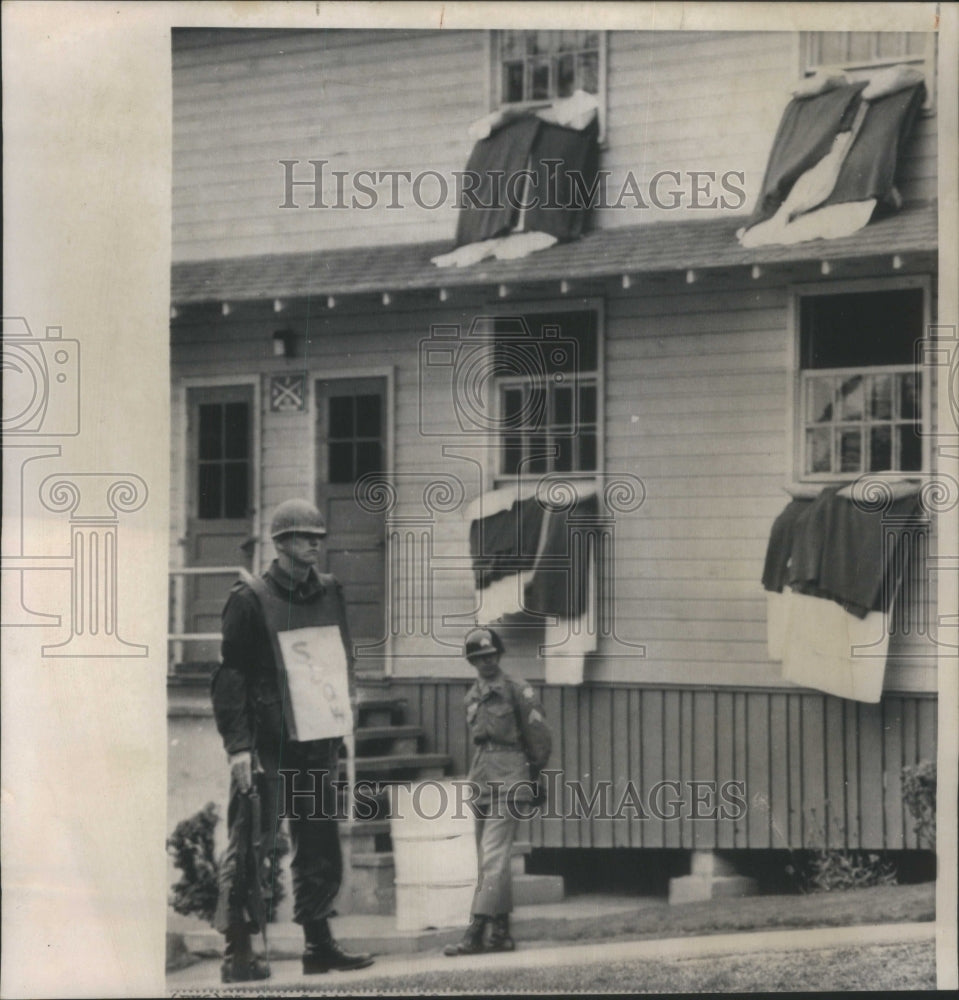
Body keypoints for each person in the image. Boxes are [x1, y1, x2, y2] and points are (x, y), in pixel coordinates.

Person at [211, 498, 374, 983]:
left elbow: (339, 654)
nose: (315, 545)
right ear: (281, 544)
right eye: (305, 537)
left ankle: (318, 944)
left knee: (320, 840)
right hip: (268, 744)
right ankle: (237, 949)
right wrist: (238, 747)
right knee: (252, 841)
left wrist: (348, 700)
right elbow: (230, 677)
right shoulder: (249, 598)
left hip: (317, 739)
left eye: (318, 538)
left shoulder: (329, 590)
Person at [444, 626, 552, 957]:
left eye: (490, 656)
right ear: (471, 662)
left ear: (499, 655)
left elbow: (539, 737)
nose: (486, 663)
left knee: (493, 854)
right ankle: (501, 932)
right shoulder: (472, 696)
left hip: (511, 774)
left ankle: (476, 930)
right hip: (482, 776)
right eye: (479, 659)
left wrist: (534, 775)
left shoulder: (518, 690)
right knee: (491, 859)